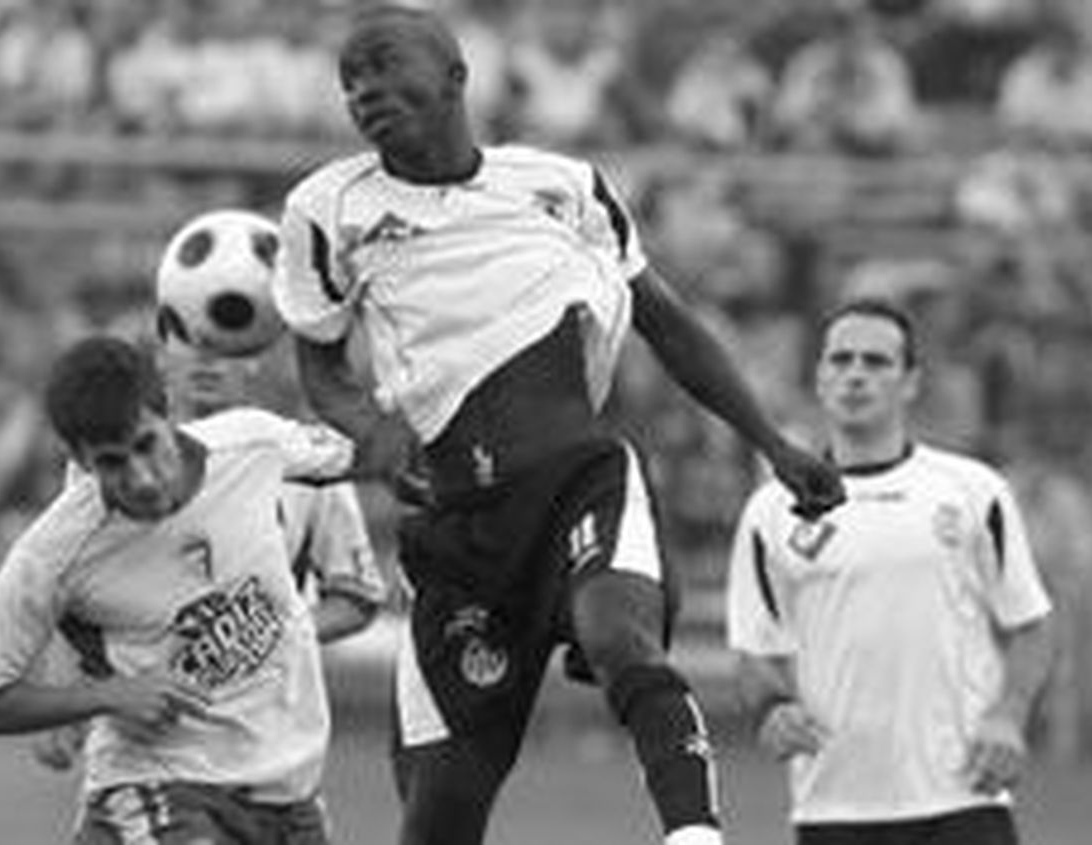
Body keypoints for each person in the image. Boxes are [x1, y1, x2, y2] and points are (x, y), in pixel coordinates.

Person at [270, 6, 846, 845]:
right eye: (351, 82)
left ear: (457, 76)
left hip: (581, 478)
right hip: (461, 528)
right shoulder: (327, 209)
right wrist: (375, 433)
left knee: (622, 639)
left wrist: (773, 443)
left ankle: (695, 835)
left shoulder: (565, 185)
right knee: (439, 814)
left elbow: (668, 325)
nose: (366, 91)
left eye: (386, 67)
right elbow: (321, 369)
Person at [0, 336, 360, 844]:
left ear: (168, 414)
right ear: (79, 460)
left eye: (147, 445)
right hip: (159, 786)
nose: (141, 478)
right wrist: (107, 696)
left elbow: (370, 450)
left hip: (290, 792)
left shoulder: (253, 444)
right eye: (112, 462)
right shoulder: (54, 552)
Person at [726, 299, 1056, 845]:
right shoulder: (771, 511)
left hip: (964, 796)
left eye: (876, 362)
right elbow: (754, 653)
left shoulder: (973, 491)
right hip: (832, 808)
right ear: (819, 377)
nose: (856, 374)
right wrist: (771, 708)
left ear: (911, 382)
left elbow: (1033, 626)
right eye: (841, 359)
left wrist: (1010, 714)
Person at [30, 329, 390, 772]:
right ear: (162, 355)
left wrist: (262, 642)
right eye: (190, 341)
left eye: (223, 345)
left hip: (268, 744)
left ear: (254, 357)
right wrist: (70, 698)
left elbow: (357, 596)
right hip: (148, 746)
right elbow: (74, 592)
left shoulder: (296, 454)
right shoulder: (108, 466)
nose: (207, 360)